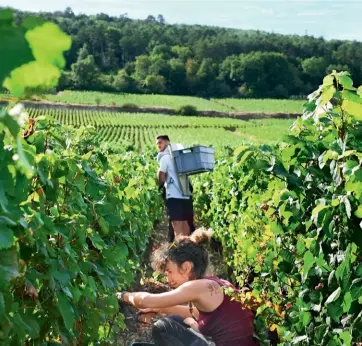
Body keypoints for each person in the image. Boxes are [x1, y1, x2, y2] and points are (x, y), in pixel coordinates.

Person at [117, 229, 258, 346]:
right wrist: (160, 309)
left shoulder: (197, 287)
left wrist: (122, 295)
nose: (168, 278)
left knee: (163, 326)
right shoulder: (216, 283)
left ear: (186, 267)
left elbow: (145, 301)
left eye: (169, 271)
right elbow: (197, 314)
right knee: (174, 320)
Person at [156, 135, 195, 240]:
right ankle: (187, 246)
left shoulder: (164, 157)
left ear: (167, 143)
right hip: (186, 195)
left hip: (173, 196)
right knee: (186, 222)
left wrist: (160, 183)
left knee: (177, 223)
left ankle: (179, 248)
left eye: (160, 142)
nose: (158, 145)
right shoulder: (181, 158)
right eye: (157, 143)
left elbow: (161, 176)